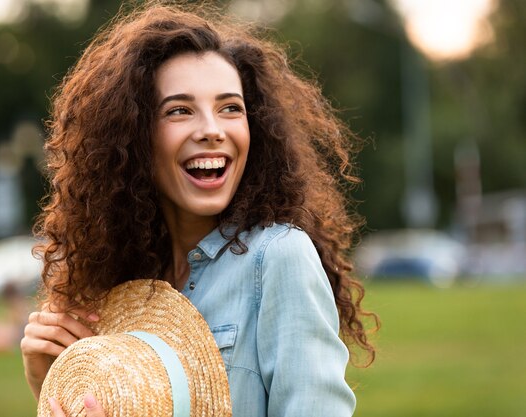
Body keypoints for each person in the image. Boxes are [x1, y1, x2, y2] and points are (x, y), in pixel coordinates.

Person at [21, 2, 378, 416]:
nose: (212, 129)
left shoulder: (278, 257)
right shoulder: (120, 287)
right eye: (179, 110)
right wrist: (49, 381)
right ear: (134, 135)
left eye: (230, 108)